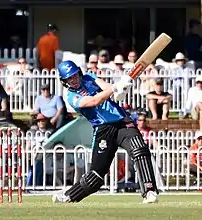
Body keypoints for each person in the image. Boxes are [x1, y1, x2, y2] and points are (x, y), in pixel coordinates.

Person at [52, 60, 158, 204]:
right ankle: (69, 195)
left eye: (75, 75)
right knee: (95, 177)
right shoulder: (71, 97)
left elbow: (106, 87)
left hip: (121, 121)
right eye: (69, 78)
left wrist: (122, 88)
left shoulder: (89, 77)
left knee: (139, 149)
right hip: (102, 130)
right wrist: (115, 88)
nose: (74, 80)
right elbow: (95, 100)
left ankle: (149, 190)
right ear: (64, 81)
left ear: (79, 73)